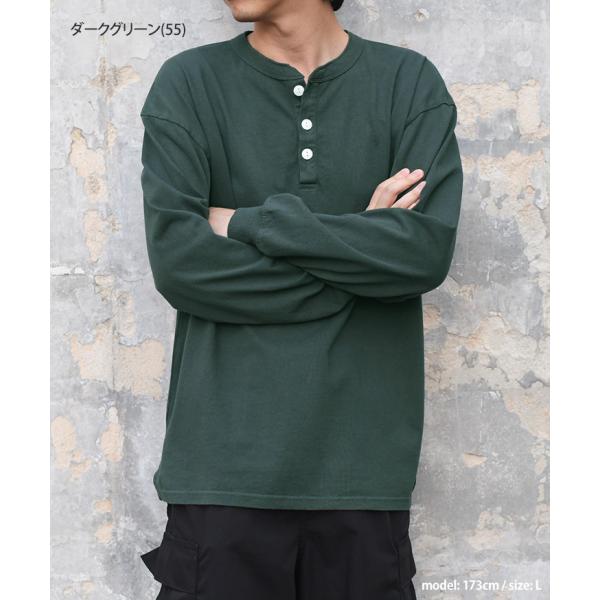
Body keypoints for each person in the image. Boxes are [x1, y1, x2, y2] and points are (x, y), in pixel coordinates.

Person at [138, 0, 463, 598]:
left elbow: (421, 255)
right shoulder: (189, 83)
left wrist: (246, 223)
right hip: (222, 470)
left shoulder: (408, 83)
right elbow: (182, 264)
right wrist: (361, 247)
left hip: (361, 473)